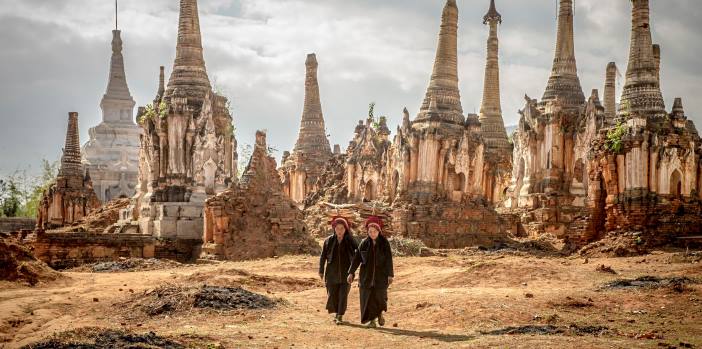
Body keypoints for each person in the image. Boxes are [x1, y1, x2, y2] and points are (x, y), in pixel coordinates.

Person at [347, 216, 394, 328]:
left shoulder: (384, 243)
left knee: (380, 297)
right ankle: (372, 320)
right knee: (367, 299)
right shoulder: (364, 243)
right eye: (370, 231)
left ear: (378, 231)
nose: (372, 234)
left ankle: (379, 314)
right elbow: (357, 259)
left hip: (380, 276)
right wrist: (351, 272)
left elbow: (389, 259)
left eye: (374, 231)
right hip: (366, 277)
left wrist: (390, 274)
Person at [319, 216, 358, 325]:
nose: (339, 231)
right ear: (334, 229)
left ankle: (339, 315)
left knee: (343, 294)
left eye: (342, 228)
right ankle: (336, 312)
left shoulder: (350, 240)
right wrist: (321, 270)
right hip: (331, 273)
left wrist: (353, 270)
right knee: (332, 294)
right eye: (337, 228)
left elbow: (358, 253)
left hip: (346, 272)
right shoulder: (328, 241)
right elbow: (323, 257)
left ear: (346, 229)